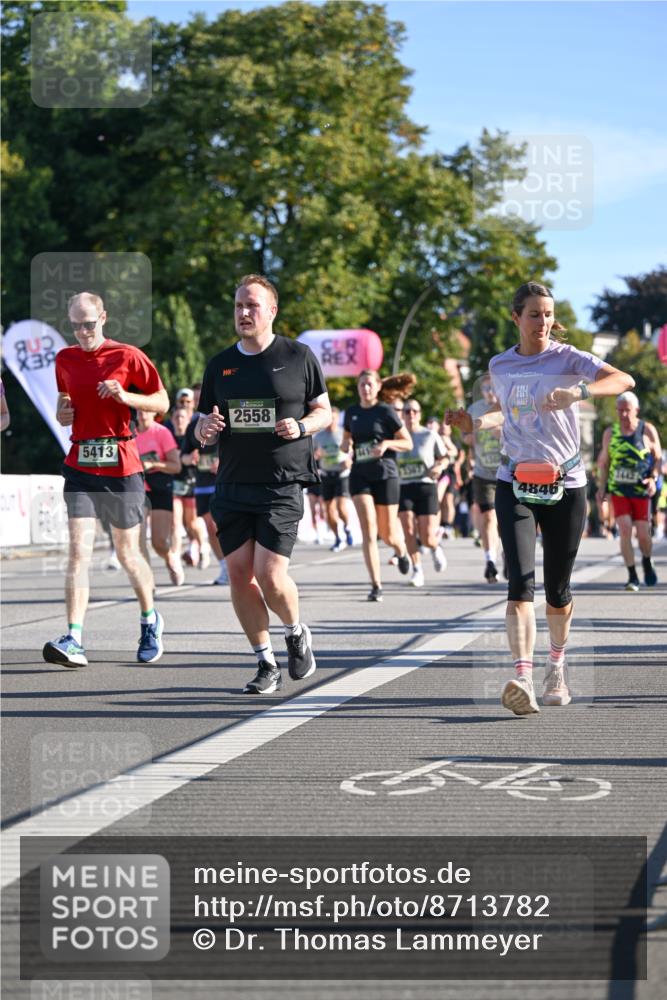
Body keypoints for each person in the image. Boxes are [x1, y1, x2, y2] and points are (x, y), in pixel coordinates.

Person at [446, 280, 634, 716]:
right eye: (534, 314)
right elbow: (508, 412)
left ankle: (556, 667)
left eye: (548, 314)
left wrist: (578, 391)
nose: (543, 322)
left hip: (566, 484)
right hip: (515, 481)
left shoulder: (569, 359)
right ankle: (524, 678)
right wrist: (472, 422)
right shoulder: (501, 364)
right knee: (519, 585)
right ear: (516, 317)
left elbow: (624, 380)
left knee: (558, 591)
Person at [195, 274, 331, 694]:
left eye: (252, 305)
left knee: (269, 575)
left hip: (281, 484)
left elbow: (324, 412)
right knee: (239, 575)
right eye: (238, 306)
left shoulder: (298, 355)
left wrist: (302, 426)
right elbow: (202, 424)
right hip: (233, 483)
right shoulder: (220, 364)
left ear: (272, 310)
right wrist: (205, 429)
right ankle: (265, 662)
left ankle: (295, 631)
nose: (243, 313)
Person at [43, 292, 169, 668]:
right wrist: (63, 414)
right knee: (78, 552)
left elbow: (161, 402)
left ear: (103, 318)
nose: (83, 332)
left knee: (128, 553)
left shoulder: (127, 355)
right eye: (75, 325)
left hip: (122, 464)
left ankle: (149, 620)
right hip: (80, 462)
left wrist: (126, 396)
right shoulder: (64, 359)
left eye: (88, 324)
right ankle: (74, 638)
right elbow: (64, 401)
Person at [342, 370, 414, 602]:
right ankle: (376, 585)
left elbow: (407, 443)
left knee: (387, 533)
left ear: (378, 386)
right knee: (368, 530)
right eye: (362, 384)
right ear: (358, 387)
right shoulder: (351, 412)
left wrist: (386, 444)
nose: (366, 388)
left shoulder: (385, 411)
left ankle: (401, 551)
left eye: (369, 384)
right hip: (360, 475)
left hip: (385, 474)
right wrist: (345, 446)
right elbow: (346, 439)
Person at [596, 391, 661, 590]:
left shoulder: (646, 430)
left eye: (627, 410)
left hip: (641, 490)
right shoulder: (610, 433)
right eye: (620, 410)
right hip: (619, 489)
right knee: (624, 529)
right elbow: (604, 462)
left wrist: (653, 477)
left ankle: (647, 560)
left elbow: (658, 458)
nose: (623, 415)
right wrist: (602, 487)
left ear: (636, 410)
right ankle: (632, 575)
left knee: (643, 534)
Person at [398, 398, 448, 587]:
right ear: (402, 415)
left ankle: (435, 547)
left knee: (426, 537)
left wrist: (439, 467)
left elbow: (444, 458)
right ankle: (417, 569)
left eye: (415, 411)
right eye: (407, 411)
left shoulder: (430, 435)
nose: (411, 414)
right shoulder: (397, 436)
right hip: (404, 486)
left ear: (419, 415)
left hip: (426, 486)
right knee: (409, 530)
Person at [135, 409, 184, 586]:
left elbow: (176, 466)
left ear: (154, 412)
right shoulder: (130, 433)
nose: (143, 414)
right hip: (138, 489)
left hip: (160, 488)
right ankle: (147, 582)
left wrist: (153, 464)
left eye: (146, 410)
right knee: (138, 539)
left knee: (159, 542)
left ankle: (170, 557)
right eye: (139, 411)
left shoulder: (162, 432)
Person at [466, 375, 503, 582]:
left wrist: (501, 432)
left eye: (493, 387)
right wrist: (470, 435)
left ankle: (508, 555)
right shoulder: (475, 409)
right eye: (486, 388)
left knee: (506, 521)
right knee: (489, 517)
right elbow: (465, 436)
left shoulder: (508, 405)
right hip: (483, 472)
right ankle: (490, 562)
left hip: (507, 471)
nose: (490, 392)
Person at [313, 406, 354, 552]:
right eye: (329, 419)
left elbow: (353, 451)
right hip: (326, 474)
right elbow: (313, 454)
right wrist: (316, 456)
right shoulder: (318, 437)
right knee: (328, 509)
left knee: (341, 507)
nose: (331, 422)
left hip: (341, 474)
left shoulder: (343, 433)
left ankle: (347, 527)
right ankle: (338, 538)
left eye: (334, 418)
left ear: (338, 419)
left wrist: (349, 460)